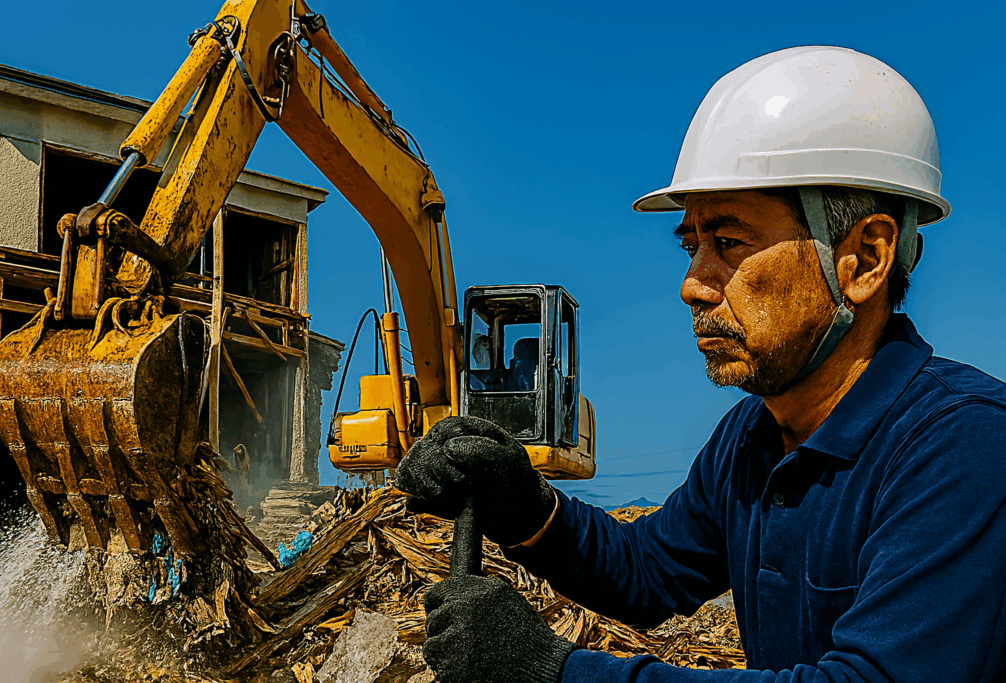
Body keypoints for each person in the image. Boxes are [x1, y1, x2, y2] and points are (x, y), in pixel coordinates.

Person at [393, 46, 1006, 682]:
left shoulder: (965, 447)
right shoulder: (751, 440)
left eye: (730, 242)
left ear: (864, 259)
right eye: (692, 246)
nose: (693, 284)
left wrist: (556, 674)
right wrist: (523, 505)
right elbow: (645, 573)